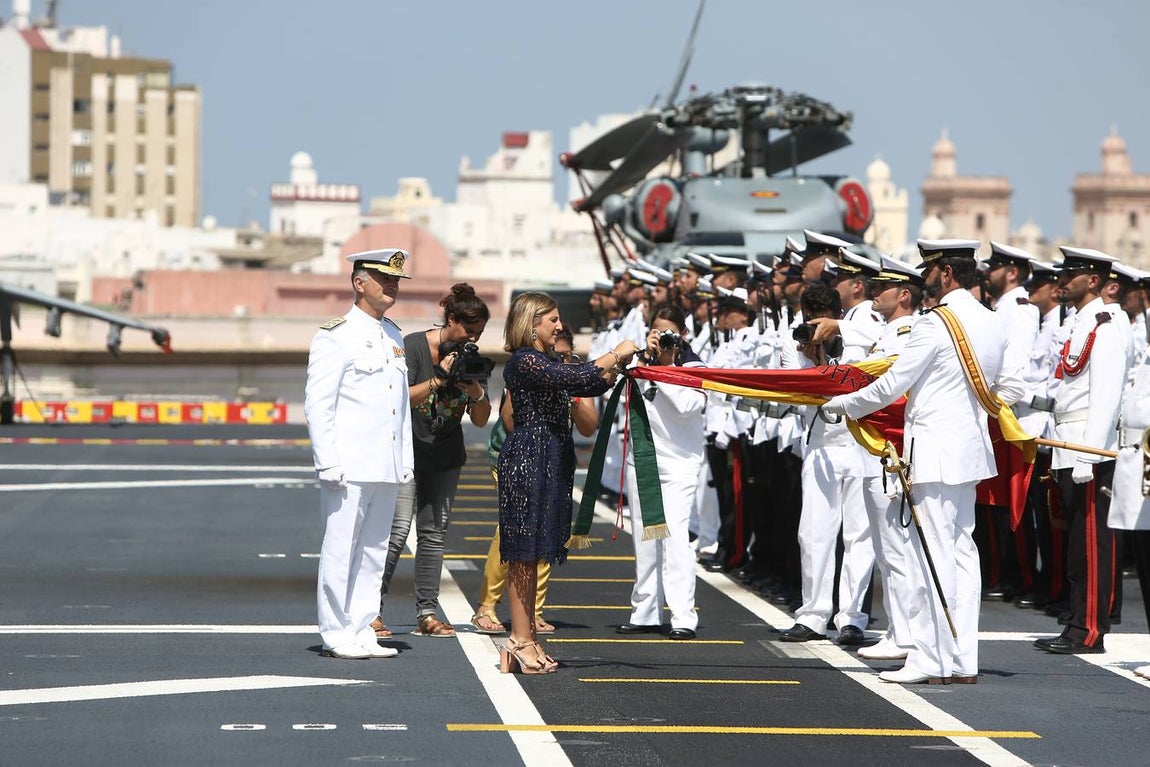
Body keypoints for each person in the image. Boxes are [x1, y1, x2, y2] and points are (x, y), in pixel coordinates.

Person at [823, 238, 1022, 685]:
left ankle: (930, 660)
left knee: (930, 554)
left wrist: (843, 405)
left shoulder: (936, 324)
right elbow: (1011, 390)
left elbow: (893, 384)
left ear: (946, 274)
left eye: (928, 271)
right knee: (962, 553)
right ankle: (962, 659)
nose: (923, 279)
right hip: (969, 453)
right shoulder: (992, 322)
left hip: (933, 452)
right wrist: (969, 418)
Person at [496, 292, 640, 674]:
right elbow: (578, 376)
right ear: (532, 323)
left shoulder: (545, 360)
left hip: (551, 458)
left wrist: (625, 364)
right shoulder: (525, 361)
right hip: (529, 458)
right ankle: (519, 639)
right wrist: (614, 354)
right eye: (552, 320)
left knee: (535, 552)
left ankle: (527, 637)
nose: (559, 326)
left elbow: (589, 385)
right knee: (523, 554)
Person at [304, 247, 414, 660]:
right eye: (383, 278)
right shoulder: (335, 335)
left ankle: (363, 626)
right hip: (348, 465)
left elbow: (397, 406)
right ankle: (336, 632)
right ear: (358, 282)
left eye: (396, 280)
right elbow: (319, 404)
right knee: (340, 549)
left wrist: (404, 460)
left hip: (384, 464)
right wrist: (327, 461)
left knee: (373, 549)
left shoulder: (394, 335)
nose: (392, 286)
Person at [373, 283, 492, 640]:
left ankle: (427, 612)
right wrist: (439, 377)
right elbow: (398, 399)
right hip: (408, 451)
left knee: (434, 535)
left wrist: (475, 390)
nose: (473, 339)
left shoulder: (471, 358)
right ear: (450, 320)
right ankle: (371, 611)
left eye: (480, 334)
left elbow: (483, 418)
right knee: (396, 534)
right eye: (469, 331)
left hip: (445, 453)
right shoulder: (411, 347)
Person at [1034, 247, 1132, 655]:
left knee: (1092, 545)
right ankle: (1077, 624)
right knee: (1076, 547)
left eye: (1072, 272)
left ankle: (1090, 630)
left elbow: (1106, 395)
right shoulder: (1080, 323)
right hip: (1067, 443)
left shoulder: (1108, 325)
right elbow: (1068, 389)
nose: (1063, 278)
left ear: (1093, 280)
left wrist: (1089, 454)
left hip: (1088, 449)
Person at [471, 326, 599, 635]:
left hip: (549, 461)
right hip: (515, 455)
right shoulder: (528, 367)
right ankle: (487, 606)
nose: (561, 362)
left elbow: (588, 427)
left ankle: (533, 611)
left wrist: (569, 392)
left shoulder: (572, 378)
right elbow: (510, 420)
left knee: (544, 534)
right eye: (557, 357)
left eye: (568, 357)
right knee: (514, 532)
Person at [617, 304, 707, 639]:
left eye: (670, 332)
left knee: (676, 538)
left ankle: (683, 616)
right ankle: (645, 611)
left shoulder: (695, 365)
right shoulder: (639, 362)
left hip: (680, 462)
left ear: (683, 334)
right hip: (642, 457)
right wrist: (645, 360)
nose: (664, 338)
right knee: (645, 537)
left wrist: (666, 367)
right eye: (658, 332)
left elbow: (687, 407)